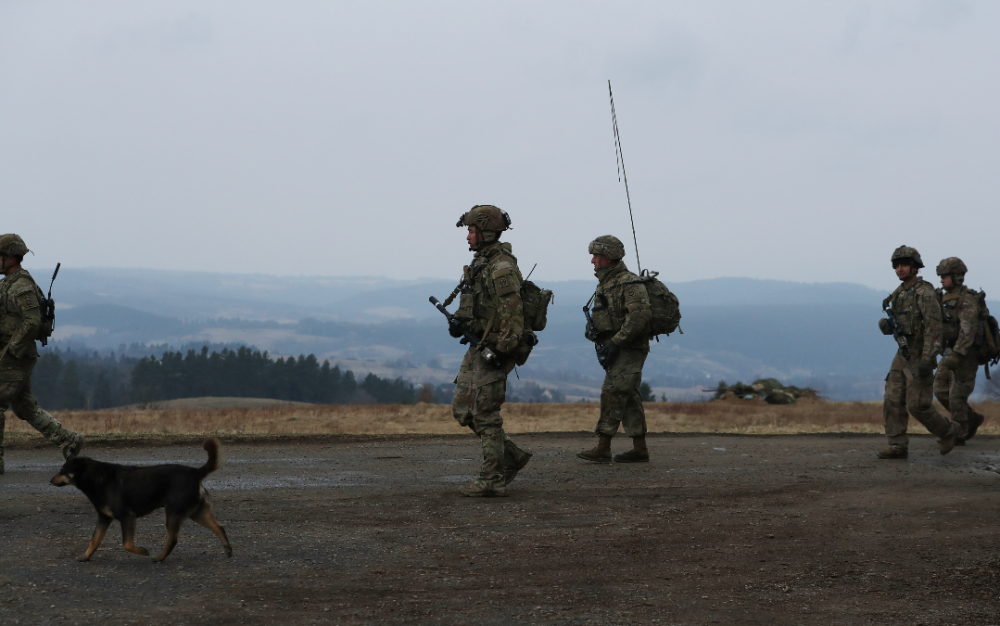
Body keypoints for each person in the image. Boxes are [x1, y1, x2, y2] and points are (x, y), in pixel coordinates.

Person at [448, 206, 532, 497]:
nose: (468, 237)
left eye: (472, 231)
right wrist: (461, 323)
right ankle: (513, 456)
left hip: (494, 349)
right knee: (463, 408)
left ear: (486, 232)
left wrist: (501, 350)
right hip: (479, 345)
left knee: (485, 413)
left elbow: (514, 316)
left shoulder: (501, 268)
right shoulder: (482, 263)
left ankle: (493, 478)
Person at [0, 234, 84, 475]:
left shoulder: (22, 286)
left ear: (11, 258)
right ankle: (68, 440)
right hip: (14, 354)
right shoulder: (9, 282)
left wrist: (12, 349)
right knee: (24, 406)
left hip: (15, 356)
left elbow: (33, 321)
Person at [877, 245, 960, 459]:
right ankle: (897, 445)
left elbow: (934, 327)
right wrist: (887, 326)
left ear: (914, 267)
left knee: (918, 404)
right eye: (897, 265)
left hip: (921, 352)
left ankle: (948, 430)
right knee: (892, 398)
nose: (900, 269)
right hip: (903, 352)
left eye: (904, 264)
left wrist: (927, 358)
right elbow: (901, 323)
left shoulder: (925, 292)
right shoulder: (899, 293)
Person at [577, 235, 653, 463]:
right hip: (617, 347)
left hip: (629, 348)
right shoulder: (606, 283)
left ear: (609, 257)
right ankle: (640, 449)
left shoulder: (628, 283)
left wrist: (617, 342)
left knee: (612, 391)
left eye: (597, 256)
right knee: (629, 396)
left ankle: (603, 446)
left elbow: (639, 317)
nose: (592, 261)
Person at [933, 257, 986, 445]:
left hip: (965, 356)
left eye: (945, 276)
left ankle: (959, 432)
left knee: (957, 396)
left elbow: (968, 330)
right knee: (940, 390)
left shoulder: (967, 300)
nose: (941, 279)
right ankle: (970, 419)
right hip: (948, 352)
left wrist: (957, 353)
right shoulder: (943, 298)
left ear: (956, 276)